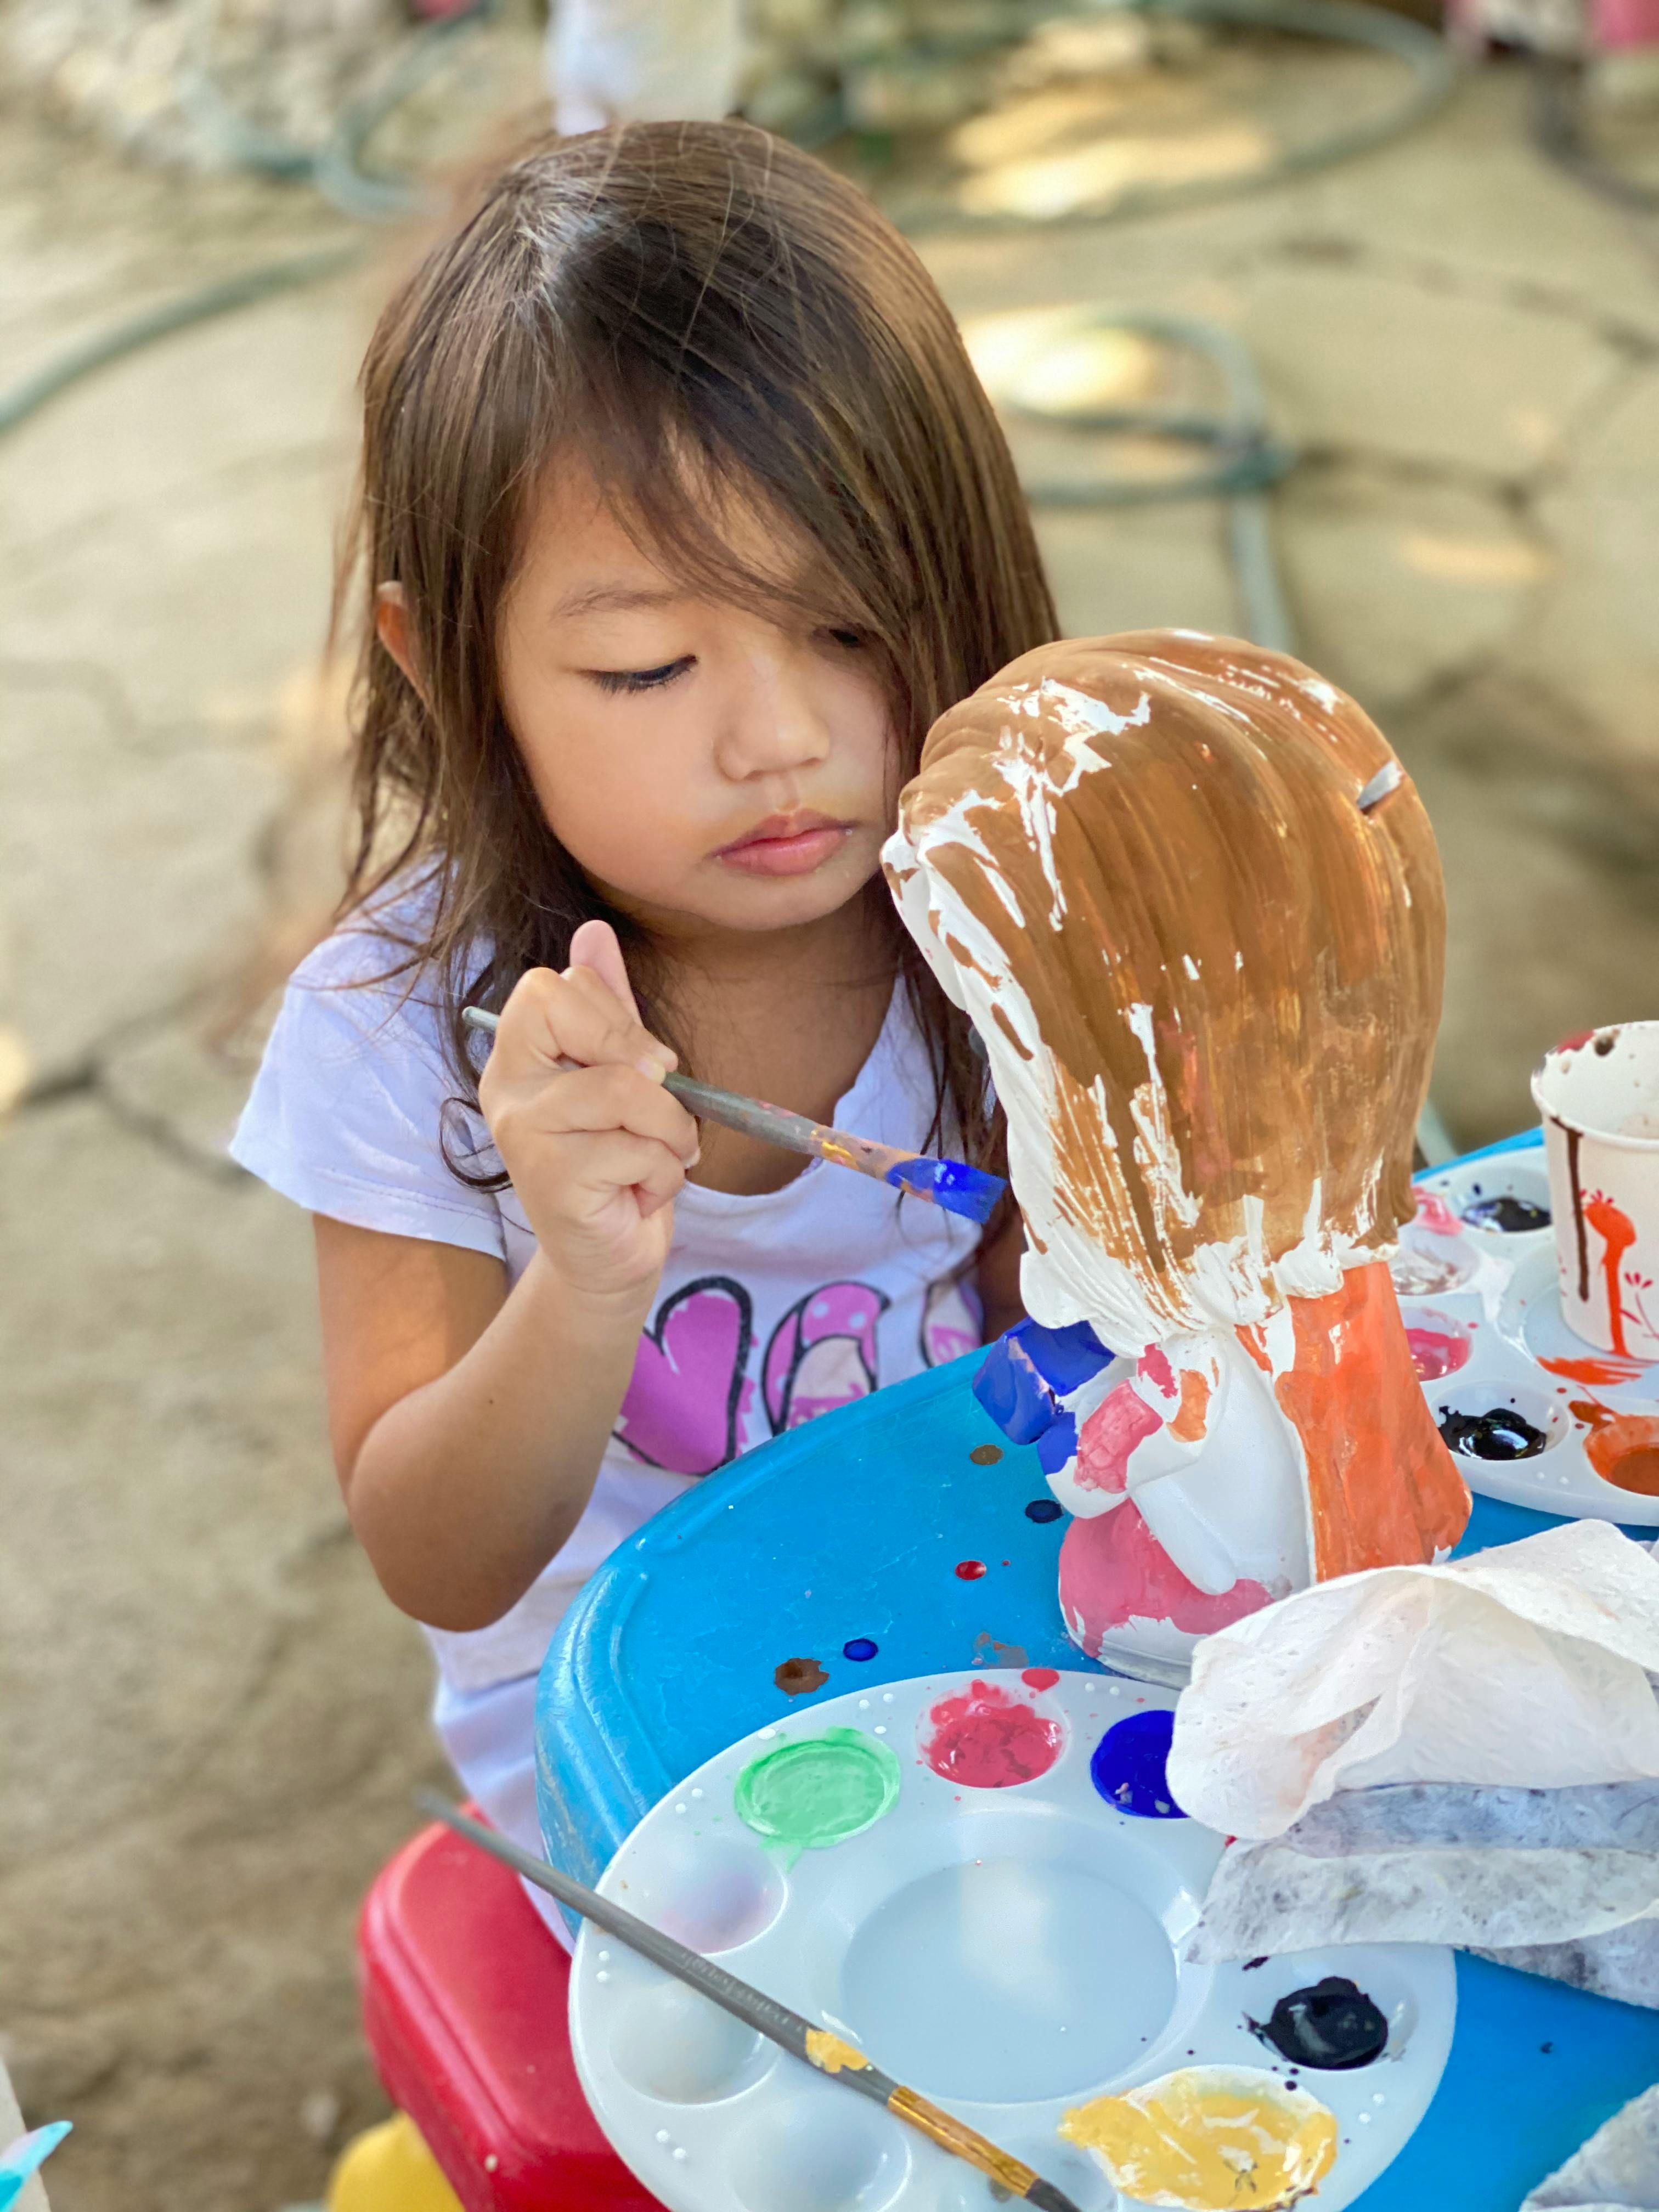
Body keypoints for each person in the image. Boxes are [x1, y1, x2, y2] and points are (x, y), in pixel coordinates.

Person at [232, 120, 1054, 1934]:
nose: (777, 739)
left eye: (851, 625)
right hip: (645, 1773)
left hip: (988, 1628)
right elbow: (438, 1558)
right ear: (450, 664)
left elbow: (1078, 1370)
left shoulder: (1002, 904)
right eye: (648, 669)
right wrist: (585, 1285)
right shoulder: (396, 1040)